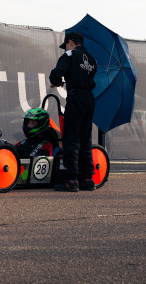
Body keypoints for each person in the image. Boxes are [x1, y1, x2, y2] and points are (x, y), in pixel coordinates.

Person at [49, 32, 97, 192]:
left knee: (71, 138)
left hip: (76, 98)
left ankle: (71, 180)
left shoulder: (69, 54)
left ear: (70, 42)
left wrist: (56, 82)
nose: (65, 49)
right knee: (85, 138)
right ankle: (88, 179)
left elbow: (56, 73)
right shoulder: (92, 59)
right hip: (89, 99)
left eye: (66, 45)